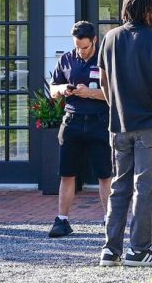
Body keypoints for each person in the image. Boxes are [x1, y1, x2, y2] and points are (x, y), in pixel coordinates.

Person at [99, 0, 152, 267]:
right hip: (150, 125)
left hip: (119, 125)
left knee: (119, 187)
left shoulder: (110, 38)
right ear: (146, 10)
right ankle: (139, 250)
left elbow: (104, 82)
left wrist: (115, 106)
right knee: (145, 188)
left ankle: (111, 250)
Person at [47, 21, 113, 239]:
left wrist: (90, 93)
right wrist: (62, 90)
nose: (81, 51)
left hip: (100, 121)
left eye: (84, 47)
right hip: (72, 121)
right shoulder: (66, 59)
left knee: (105, 174)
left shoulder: (105, 59)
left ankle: (109, 220)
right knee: (67, 173)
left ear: (94, 40)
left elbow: (115, 94)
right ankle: (62, 220)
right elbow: (52, 88)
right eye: (77, 46)